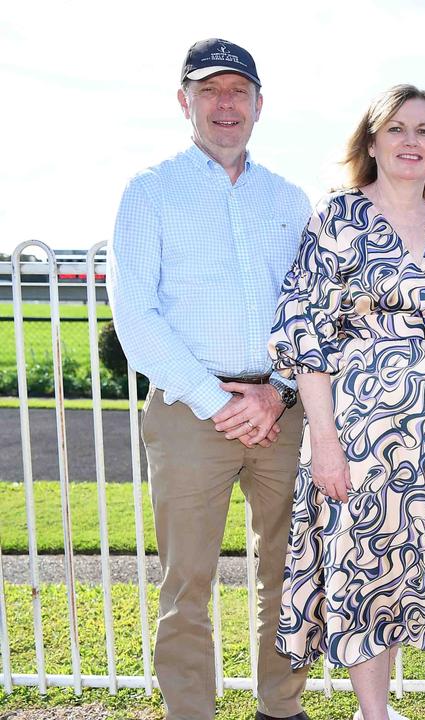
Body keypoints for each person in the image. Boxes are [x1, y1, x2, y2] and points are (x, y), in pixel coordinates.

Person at [107, 38, 312, 720]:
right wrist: (213, 398)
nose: (225, 104)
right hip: (190, 412)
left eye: (238, 90)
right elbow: (136, 315)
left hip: (281, 411)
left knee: (287, 574)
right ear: (184, 101)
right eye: (209, 90)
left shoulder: (288, 197)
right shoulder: (150, 192)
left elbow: (307, 308)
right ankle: (190, 713)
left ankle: (280, 708)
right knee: (186, 583)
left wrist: (277, 391)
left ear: (260, 103)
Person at [268, 85, 425, 720]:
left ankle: (372, 711)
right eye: (398, 129)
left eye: (424, 130)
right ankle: (376, 714)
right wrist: (323, 439)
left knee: (402, 569)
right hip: (355, 426)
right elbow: (302, 330)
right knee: (359, 564)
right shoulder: (340, 218)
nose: (412, 141)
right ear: (373, 142)